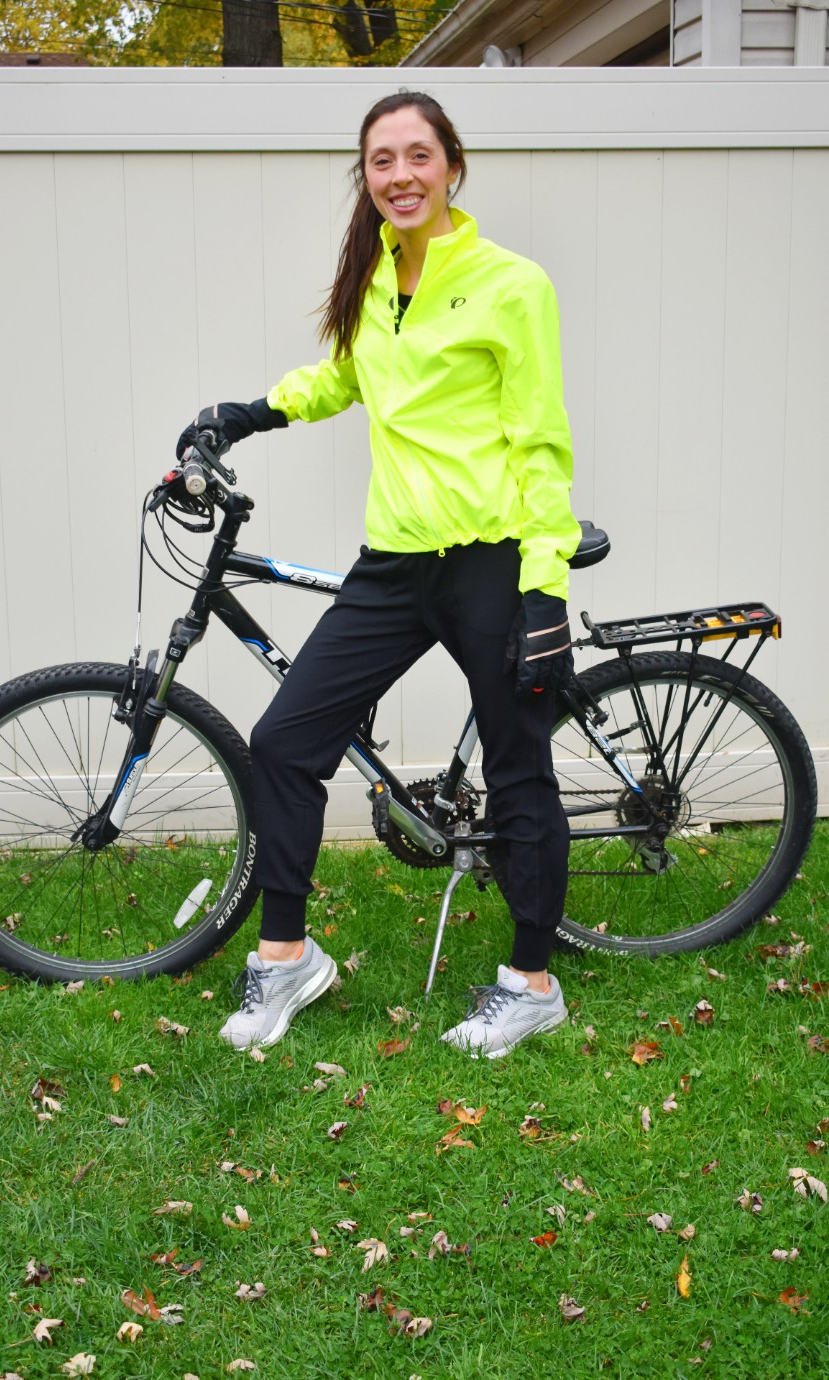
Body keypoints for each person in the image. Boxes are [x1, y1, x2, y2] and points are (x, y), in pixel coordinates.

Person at [177, 90, 582, 1060]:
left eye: (416, 155)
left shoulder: (510, 284)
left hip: (489, 560)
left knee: (517, 770)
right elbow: (343, 380)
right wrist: (243, 414)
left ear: (451, 165)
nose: (400, 175)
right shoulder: (371, 280)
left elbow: (540, 444)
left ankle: (531, 984)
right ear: (365, 177)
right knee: (285, 741)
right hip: (393, 563)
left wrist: (544, 589)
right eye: (380, 160)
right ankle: (285, 958)